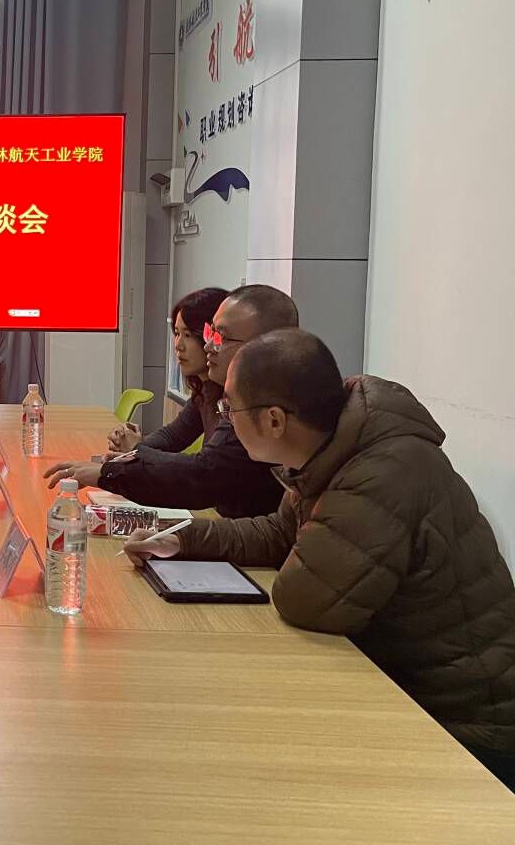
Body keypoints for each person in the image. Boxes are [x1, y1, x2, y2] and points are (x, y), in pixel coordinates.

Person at [123, 329, 515, 789]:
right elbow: (278, 533)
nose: (224, 418)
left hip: (463, 727)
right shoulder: (335, 449)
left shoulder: (381, 472)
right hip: (404, 689)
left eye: (230, 408)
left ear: (274, 420)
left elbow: (305, 600)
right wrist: (182, 538)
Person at [43, 284, 298, 518]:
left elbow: (204, 474)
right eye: (209, 334)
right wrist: (128, 458)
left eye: (221, 337)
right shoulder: (213, 391)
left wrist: (122, 464)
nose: (208, 345)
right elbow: (179, 442)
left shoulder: (258, 407)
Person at [106, 286, 228, 455]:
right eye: (177, 333)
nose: (178, 345)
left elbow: (204, 466)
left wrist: (137, 449)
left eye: (188, 335)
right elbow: (173, 436)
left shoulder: (233, 400)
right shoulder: (204, 390)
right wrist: (130, 443)